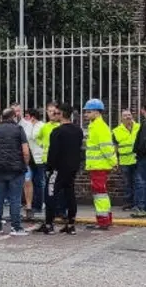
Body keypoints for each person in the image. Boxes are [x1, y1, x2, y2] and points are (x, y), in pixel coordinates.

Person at [0, 109, 31, 236]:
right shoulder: (18, 129)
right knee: (15, 198)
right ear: (14, 117)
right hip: (15, 168)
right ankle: (16, 227)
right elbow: (25, 151)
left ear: (1, 118)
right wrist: (25, 164)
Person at [38, 104, 82, 235]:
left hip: (58, 169)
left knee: (50, 194)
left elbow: (53, 153)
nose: (54, 115)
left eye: (57, 113)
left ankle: (49, 224)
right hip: (72, 168)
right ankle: (71, 224)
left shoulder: (57, 132)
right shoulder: (78, 131)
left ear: (62, 114)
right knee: (70, 194)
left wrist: (50, 168)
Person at [83, 99, 117, 230]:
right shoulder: (96, 126)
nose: (86, 114)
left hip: (99, 166)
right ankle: (105, 219)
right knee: (101, 193)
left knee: (100, 194)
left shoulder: (99, 127)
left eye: (88, 111)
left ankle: (103, 221)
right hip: (97, 165)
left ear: (97, 112)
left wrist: (113, 162)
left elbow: (107, 148)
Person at [112, 109, 140, 210]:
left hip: (137, 160)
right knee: (127, 184)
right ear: (121, 118)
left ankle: (138, 203)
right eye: (125, 115)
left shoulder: (139, 127)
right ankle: (129, 203)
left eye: (129, 115)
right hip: (124, 161)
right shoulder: (116, 131)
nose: (128, 117)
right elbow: (115, 148)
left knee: (138, 182)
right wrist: (115, 161)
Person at [19, 108, 43, 220]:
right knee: (29, 181)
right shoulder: (27, 126)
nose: (25, 119)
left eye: (27, 116)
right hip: (30, 157)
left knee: (38, 181)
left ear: (32, 117)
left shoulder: (41, 126)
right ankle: (31, 204)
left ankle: (38, 204)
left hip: (39, 157)